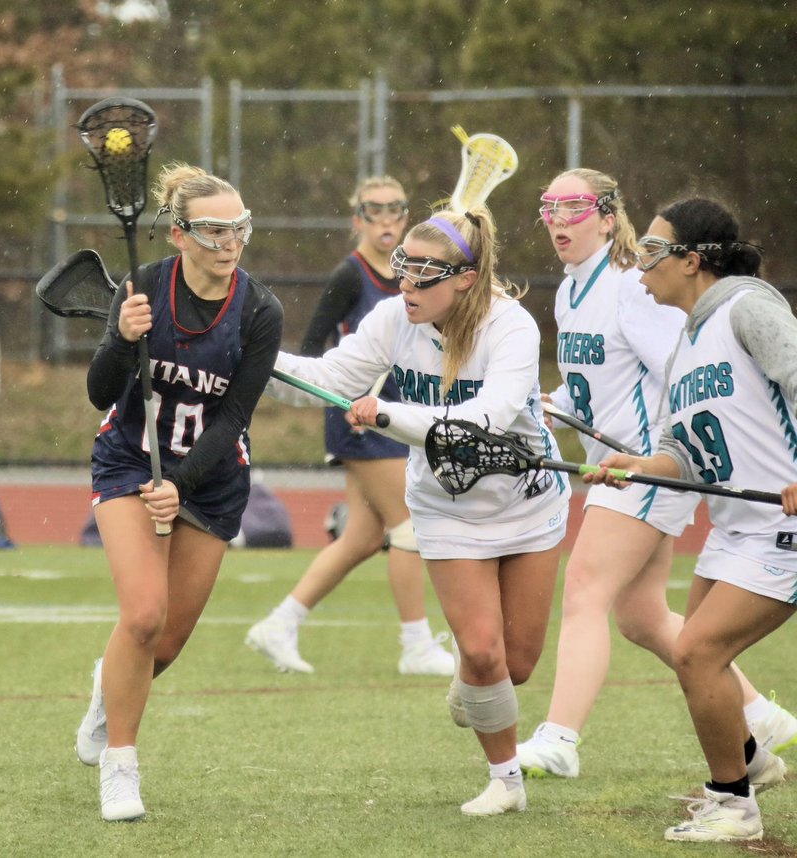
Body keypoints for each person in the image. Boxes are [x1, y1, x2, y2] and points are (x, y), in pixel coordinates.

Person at [266, 207, 570, 816]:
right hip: (444, 505)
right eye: (402, 266)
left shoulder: (510, 328)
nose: (405, 283)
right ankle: (506, 781)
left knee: (518, 665)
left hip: (526, 499)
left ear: (465, 279)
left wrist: (388, 414)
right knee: (483, 652)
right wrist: (254, 357)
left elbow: (489, 417)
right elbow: (328, 374)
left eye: (423, 273)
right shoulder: (393, 318)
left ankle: (477, 687)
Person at [517, 170, 797, 782]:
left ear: (607, 217)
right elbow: (601, 388)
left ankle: (559, 738)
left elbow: (690, 376)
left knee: (586, 588)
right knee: (641, 617)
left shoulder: (633, 290)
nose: (558, 219)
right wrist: (547, 404)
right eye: (549, 207)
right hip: (637, 465)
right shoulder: (571, 293)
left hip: (655, 466)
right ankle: (758, 727)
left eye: (574, 207)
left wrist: (655, 460)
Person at [73, 163, 284, 822]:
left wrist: (182, 482)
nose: (230, 242)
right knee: (142, 616)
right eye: (215, 230)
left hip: (211, 481)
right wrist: (122, 338)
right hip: (128, 461)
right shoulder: (140, 290)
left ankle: (105, 691)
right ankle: (121, 766)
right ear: (178, 234)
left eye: (239, 229)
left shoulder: (260, 310)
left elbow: (234, 417)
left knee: (161, 647)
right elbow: (101, 391)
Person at [585, 197, 797, 842]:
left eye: (653, 251)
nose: (641, 265)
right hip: (736, 528)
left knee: (701, 652)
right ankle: (753, 765)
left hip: (781, 529)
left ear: (693, 260)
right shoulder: (687, 340)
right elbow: (685, 452)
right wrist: (638, 464)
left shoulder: (747, 308)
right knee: (691, 653)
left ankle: (732, 804)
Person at [245, 176, 453, 677]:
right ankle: (416, 645)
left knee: (361, 538)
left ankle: (279, 623)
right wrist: (346, 397)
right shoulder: (350, 275)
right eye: (373, 209)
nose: (385, 218)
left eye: (395, 209)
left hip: (400, 418)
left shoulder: (419, 276)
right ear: (357, 219)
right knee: (409, 528)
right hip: (360, 422)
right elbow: (315, 346)